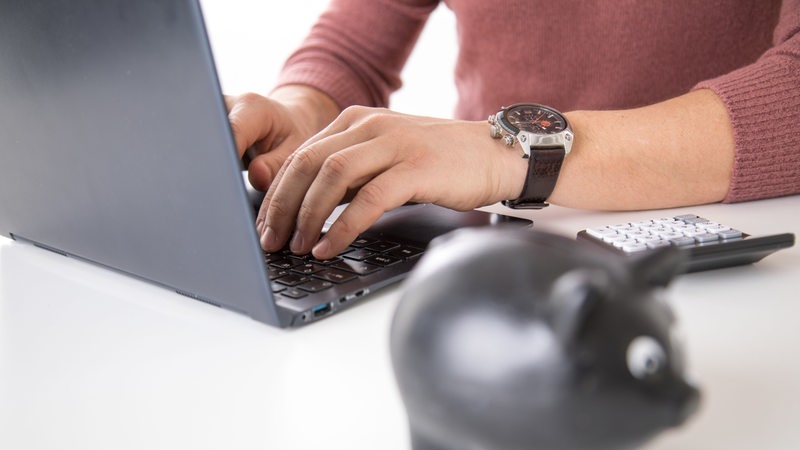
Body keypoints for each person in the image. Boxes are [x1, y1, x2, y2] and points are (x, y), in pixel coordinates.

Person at [225, 0, 800, 261]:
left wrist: (504, 155)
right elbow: (353, 49)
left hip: (702, 249)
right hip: (488, 245)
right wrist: (300, 112)